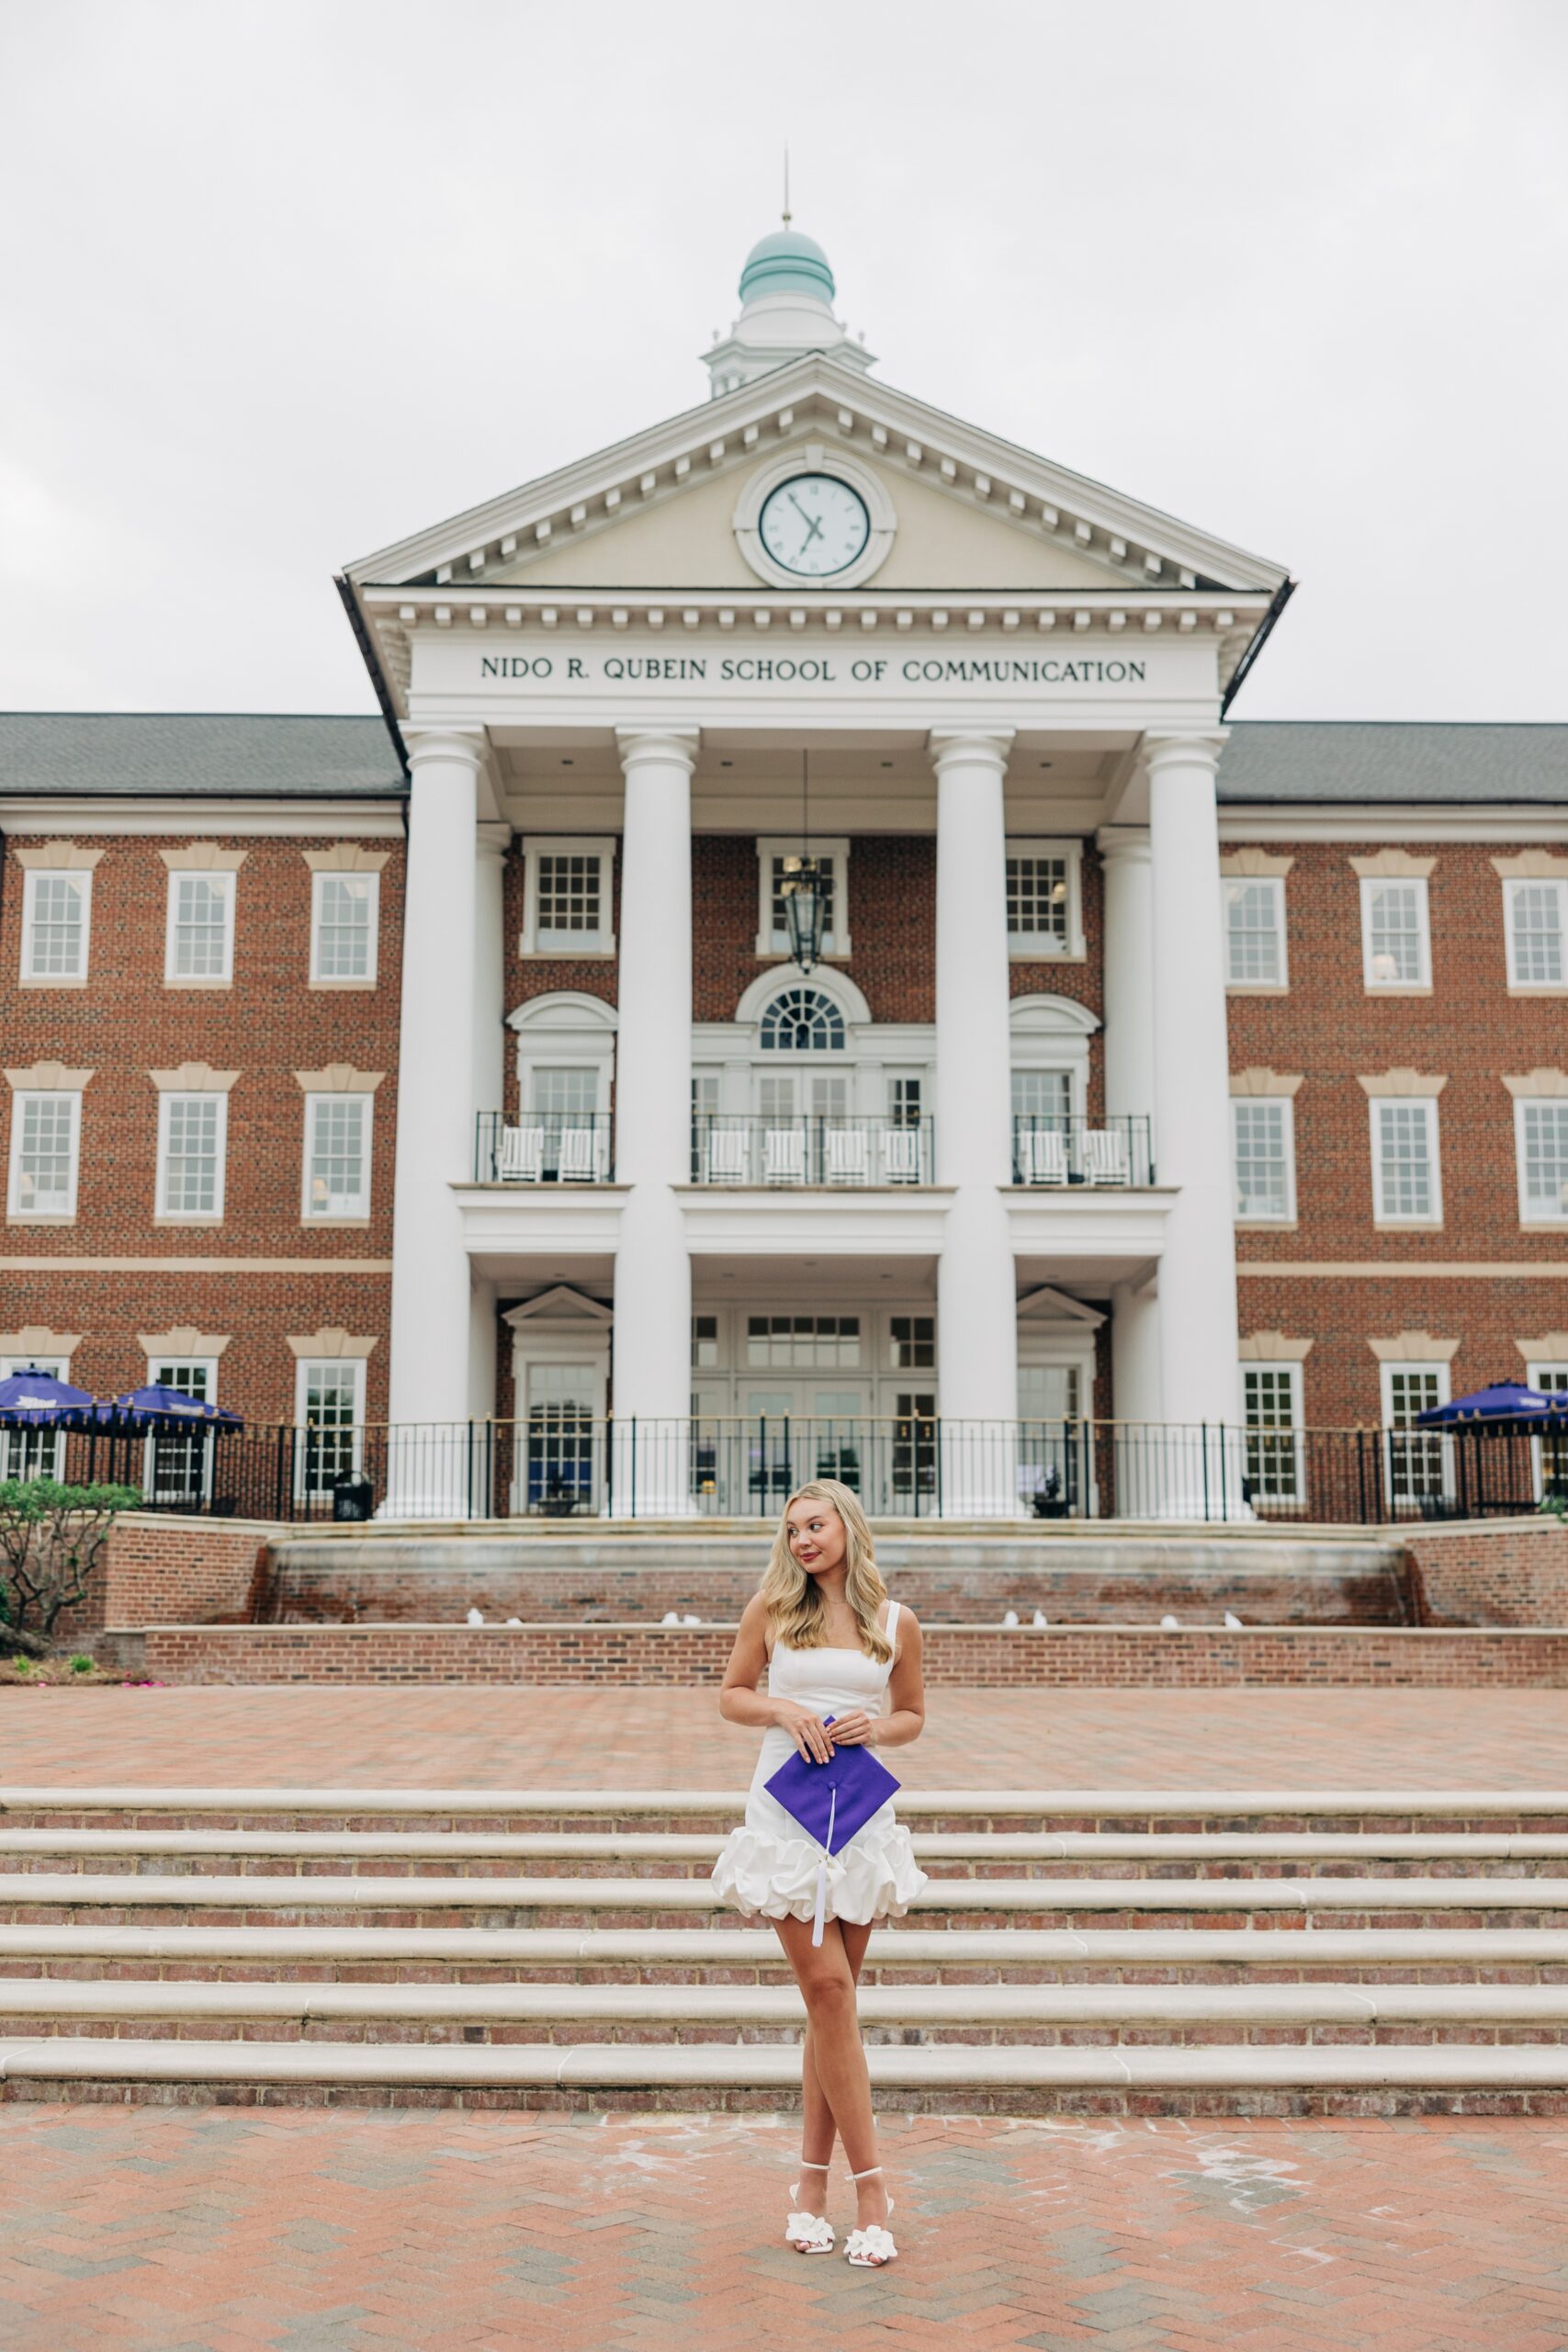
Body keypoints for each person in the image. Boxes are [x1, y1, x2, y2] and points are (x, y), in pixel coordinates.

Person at [711, 1477, 929, 2268]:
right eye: (791, 1530)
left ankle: (810, 2182)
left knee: (828, 2005)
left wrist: (876, 1726)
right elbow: (732, 1695)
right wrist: (784, 1709)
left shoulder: (895, 1621)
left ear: (847, 1526)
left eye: (814, 1525)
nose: (802, 1540)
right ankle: (871, 2186)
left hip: (860, 1814)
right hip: (783, 1811)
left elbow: (911, 1717)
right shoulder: (771, 1611)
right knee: (828, 1991)